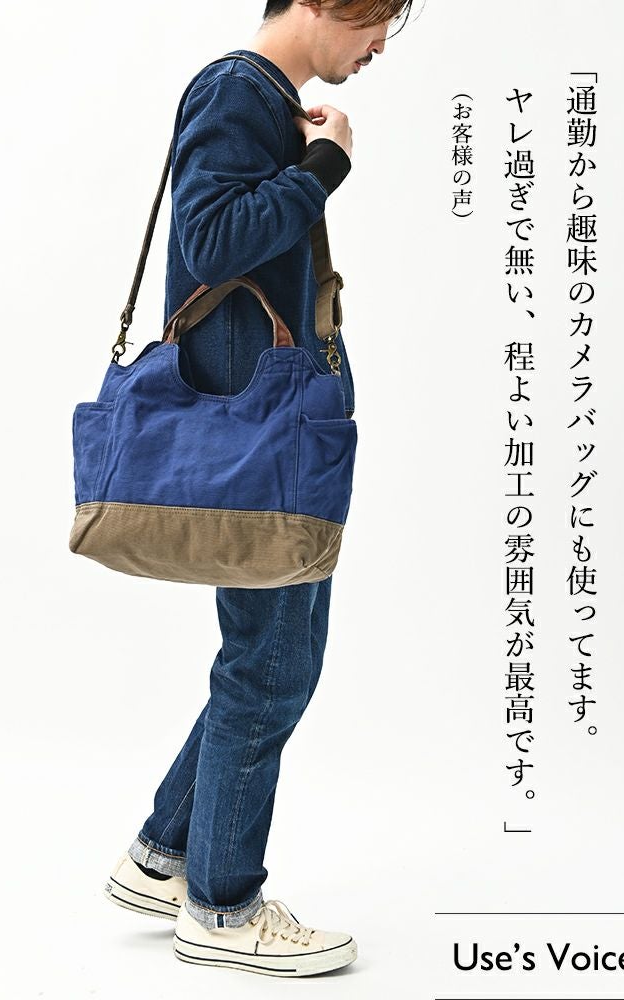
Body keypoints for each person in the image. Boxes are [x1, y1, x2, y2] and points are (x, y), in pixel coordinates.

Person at [104, 0, 414, 978]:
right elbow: (210, 243)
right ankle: (221, 906)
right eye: (376, 22)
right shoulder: (236, 91)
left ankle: (164, 854)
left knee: (274, 656)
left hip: (274, 434)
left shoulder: (266, 101)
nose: (379, 46)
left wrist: (306, 156)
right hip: (256, 440)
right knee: (270, 665)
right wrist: (323, 168)